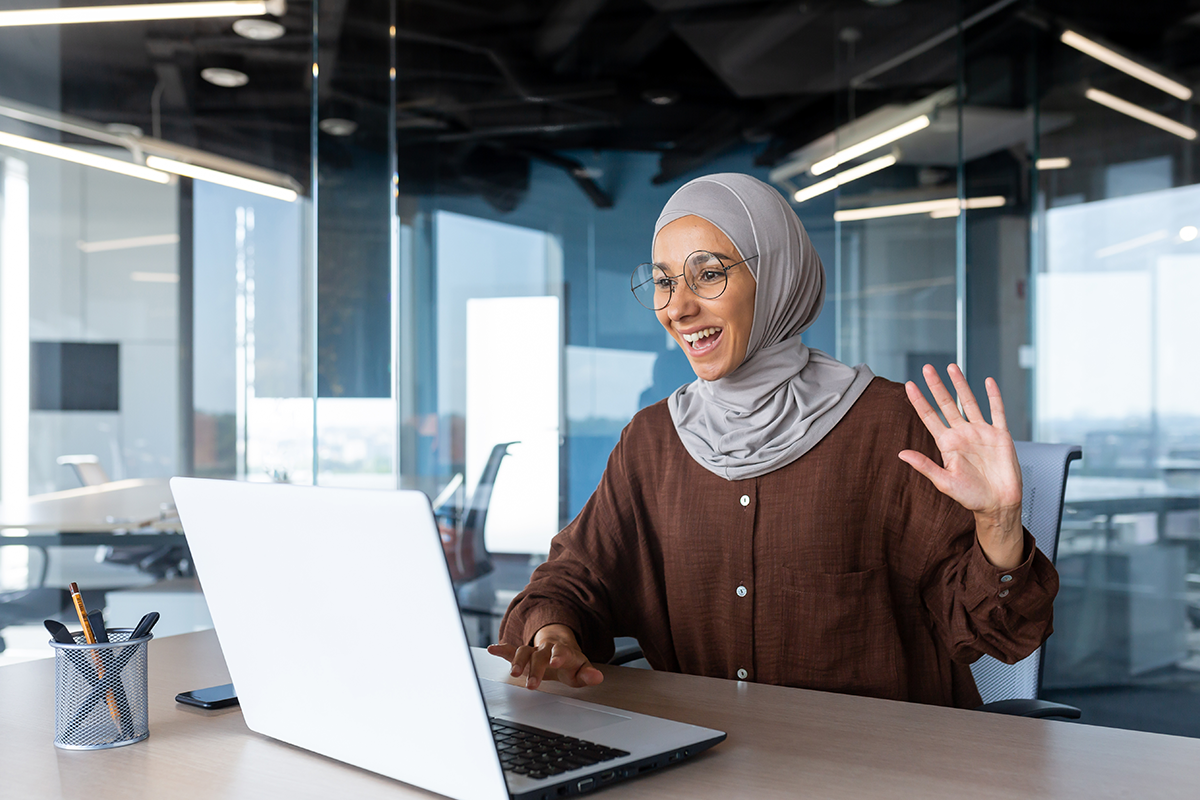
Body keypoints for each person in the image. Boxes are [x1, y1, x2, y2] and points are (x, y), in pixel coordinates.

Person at [487, 173, 1057, 708]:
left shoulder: (890, 425)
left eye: (708, 274)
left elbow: (998, 635)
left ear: (777, 275)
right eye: (664, 282)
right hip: (704, 761)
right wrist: (554, 632)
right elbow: (575, 577)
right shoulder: (653, 441)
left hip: (878, 767)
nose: (679, 308)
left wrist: (1000, 525)